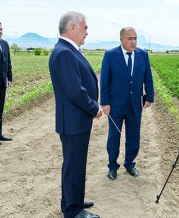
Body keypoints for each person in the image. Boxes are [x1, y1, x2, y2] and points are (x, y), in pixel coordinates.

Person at [49, 12, 102, 218]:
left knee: (74, 163)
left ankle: (73, 201)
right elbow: (75, 90)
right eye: (85, 28)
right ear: (73, 27)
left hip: (76, 120)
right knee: (73, 165)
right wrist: (94, 108)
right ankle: (73, 211)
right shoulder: (64, 53)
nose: (87, 32)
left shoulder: (68, 50)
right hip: (73, 120)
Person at [100, 27, 154, 180]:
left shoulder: (143, 55)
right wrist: (104, 102)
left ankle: (130, 164)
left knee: (133, 136)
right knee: (114, 137)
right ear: (121, 39)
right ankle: (112, 166)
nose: (133, 41)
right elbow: (104, 81)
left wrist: (149, 96)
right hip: (115, 105)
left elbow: (147, 77)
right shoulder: (110, 55)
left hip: (134, 104)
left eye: (135, 38)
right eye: (129, 38)